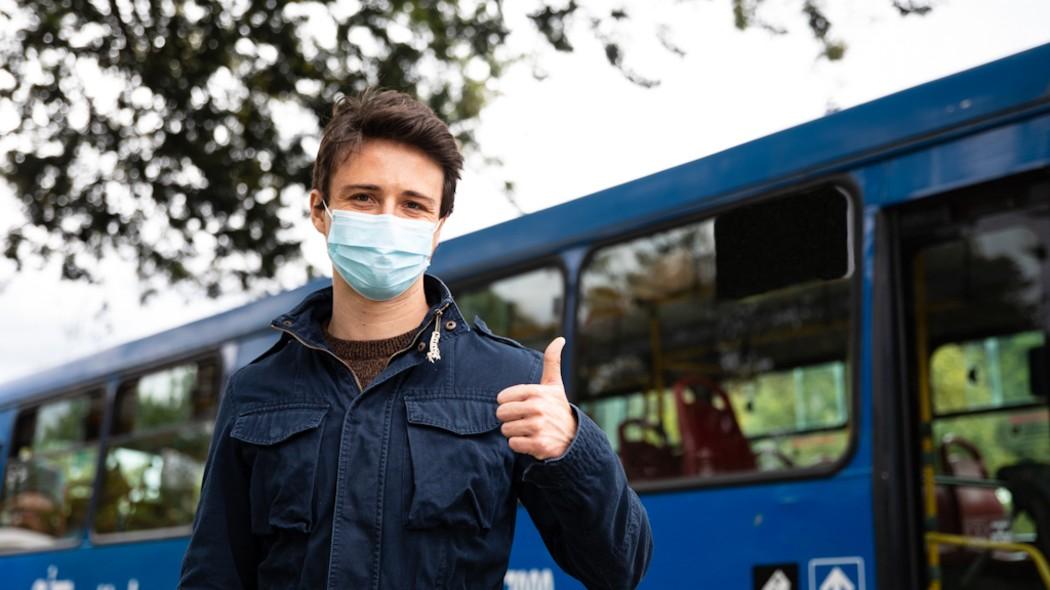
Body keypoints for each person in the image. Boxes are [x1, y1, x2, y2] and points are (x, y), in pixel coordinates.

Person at [178, 88, 652, 589]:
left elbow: (620, 567)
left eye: (413, 205)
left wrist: (573, 448)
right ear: (320, 210)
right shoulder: (256, 391)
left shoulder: (511, 383)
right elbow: (213, 575)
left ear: (438, 227)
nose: (387, 221)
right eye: (364, 197)